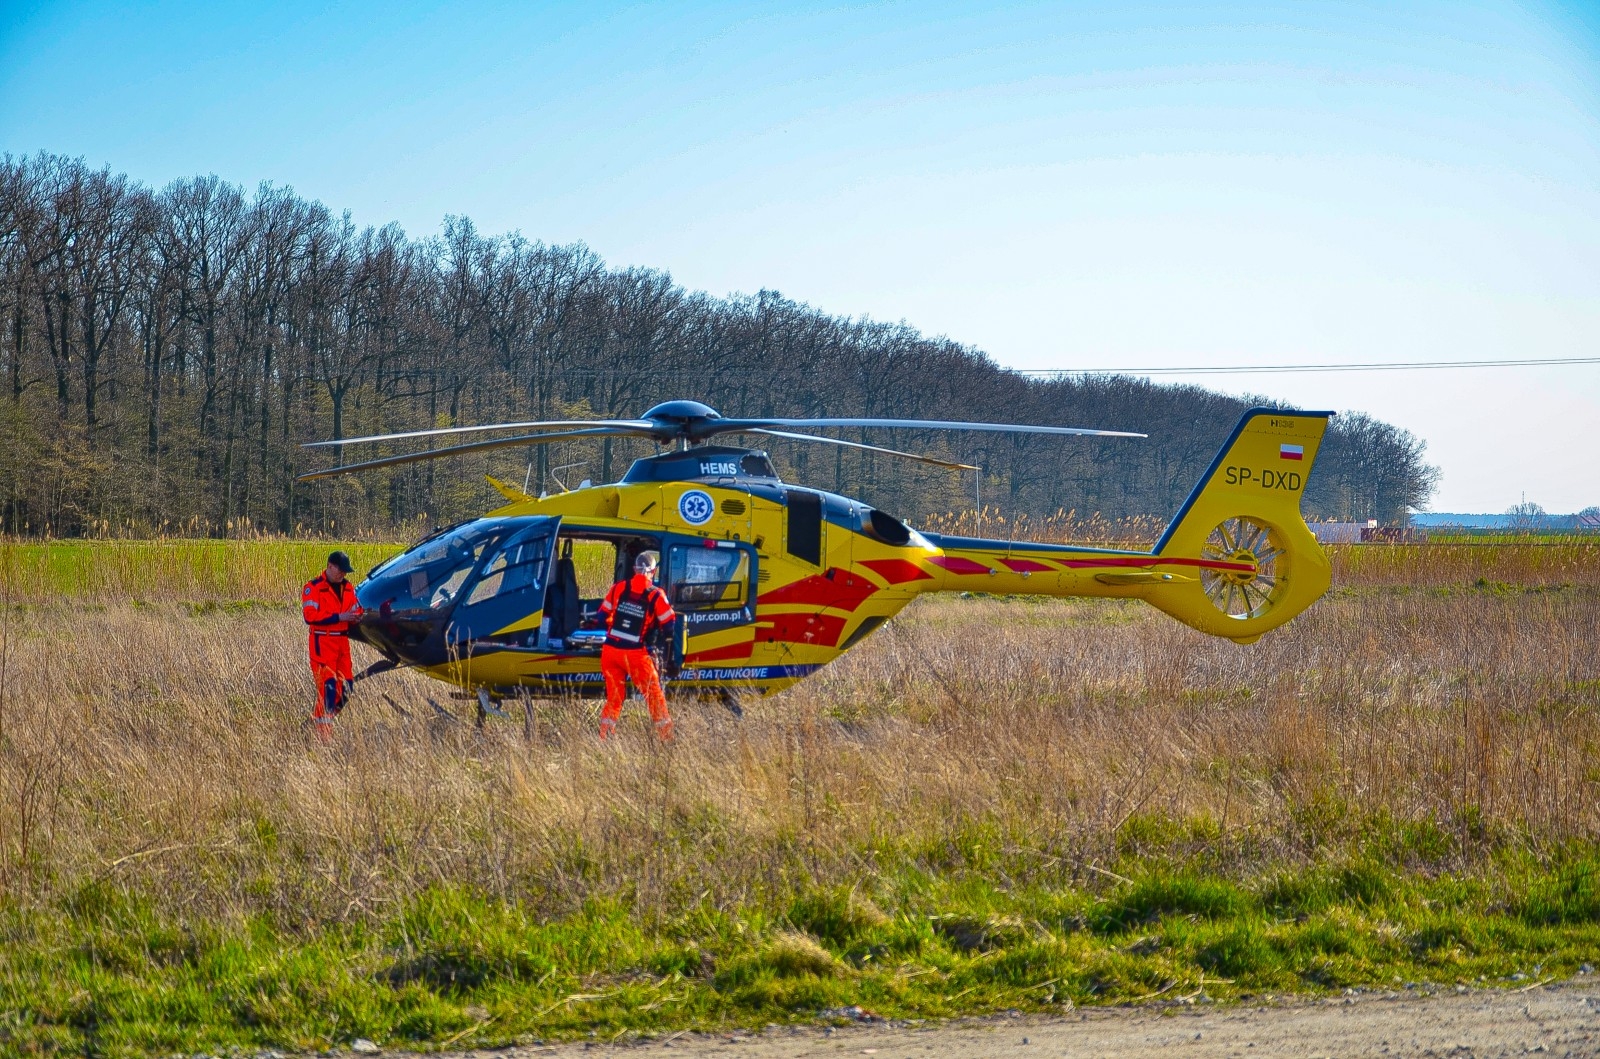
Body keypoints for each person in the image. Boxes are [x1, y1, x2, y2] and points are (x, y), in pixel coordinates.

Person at [597, 550, 676, 741]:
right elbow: (669, 625)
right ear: (654, 571)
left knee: (614, 697)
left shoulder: (618, 588)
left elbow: (600, 617)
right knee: (654, 694)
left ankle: (604, 736)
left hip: (610, 652)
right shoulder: (656, 595)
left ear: (634, 569)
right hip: (634, 654)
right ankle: (667, 738)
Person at [302, 550, 363, 742]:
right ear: (330, 566)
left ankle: (316, 721)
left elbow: (355, 608)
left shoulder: (348, 588)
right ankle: (324, 738)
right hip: (322, 645)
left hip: (342, 645)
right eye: (340, 570)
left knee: (346, 689)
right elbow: (309, 616)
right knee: (328, 690)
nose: (343, 574)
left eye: (345, 571)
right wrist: (339, 617)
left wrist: (358, 616)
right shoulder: (313, 588)